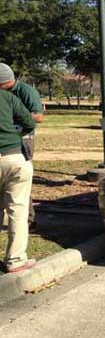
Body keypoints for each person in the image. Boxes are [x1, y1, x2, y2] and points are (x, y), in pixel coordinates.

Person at [0, 64, 43, 229]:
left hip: (23, 138)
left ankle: (29, 219)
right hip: (8, 138)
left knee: (19, 180)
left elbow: (38, 117)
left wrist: (13, 120)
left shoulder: (25, 91)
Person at [0, 85, 37, 273]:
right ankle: (15, 259)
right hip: (14, 158)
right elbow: (30, 122)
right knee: (18, 209)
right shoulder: (7, 97)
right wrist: (14, 133)